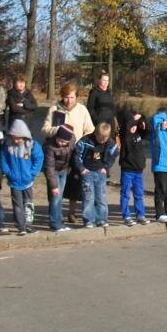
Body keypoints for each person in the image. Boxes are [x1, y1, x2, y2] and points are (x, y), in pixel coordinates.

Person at [42, 83, 95, 224]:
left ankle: (72, 212)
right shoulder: (55, 109)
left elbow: (90, 129)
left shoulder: (82, 109)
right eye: (66, 97)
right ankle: (55, 215)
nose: (69, 100)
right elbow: (45, 129)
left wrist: (82, 143)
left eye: (72, 97)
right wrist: (59, 130)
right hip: (58, 152)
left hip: (75, 151)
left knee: (74, 184)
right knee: (55, 186)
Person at [2, 119, 44, 236]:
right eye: (14, 137)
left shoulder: (32, 145)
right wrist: (8, 173)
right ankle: (21, 226)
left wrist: (32, 173)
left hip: (28, 181)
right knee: (17, 205)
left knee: (28, 204)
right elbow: (4, 161)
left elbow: (38, 159)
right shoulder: (7, 146)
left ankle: (28, 224)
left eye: (19, 138)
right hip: (14, 181)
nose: (16, 140)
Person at [74, 122, 118, 228]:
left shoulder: (110, 143)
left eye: (105, 139)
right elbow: (77, 155)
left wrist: (106, 168)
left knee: (101, 197)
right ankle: (89, 220)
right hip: (87, 172)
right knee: (88, 197)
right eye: (100, 138)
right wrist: (81, 169)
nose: (102, 141)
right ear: (96, 134)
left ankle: (101, 219)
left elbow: (113, 155)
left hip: (100, 172)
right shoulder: (85, 141)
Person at [117, 105, 148, 227]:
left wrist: (142, 119)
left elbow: (148, 129)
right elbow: (127, 126)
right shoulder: (124, 134)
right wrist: (133, 121)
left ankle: (140, 215)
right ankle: (126, 216)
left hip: (138, 170)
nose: (134, 125)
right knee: (125, 194)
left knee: (139, 194)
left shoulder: (139, 133)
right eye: (132, 122)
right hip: (127, 169)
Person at [43, 124, 76, 232]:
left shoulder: (72, 140)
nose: (61, 143)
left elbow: (74, 154)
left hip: (64, 170)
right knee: (55, 196)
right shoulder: (50, 146)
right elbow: (49, 167)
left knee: (60, 197)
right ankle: (55, 224)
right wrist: (53, 186)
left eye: (64, 142)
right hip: (54, 172)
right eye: (59, 140)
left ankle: (59, 221)